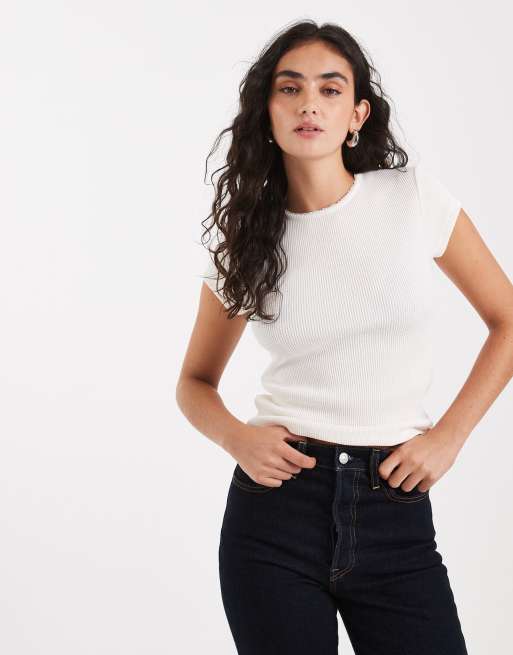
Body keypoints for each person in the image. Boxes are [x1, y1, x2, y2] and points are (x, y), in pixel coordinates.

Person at [176, 20, 513, 655]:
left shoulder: (411, 200)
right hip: (274, 515)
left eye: (330, 90)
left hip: (394, 505)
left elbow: (508, 320)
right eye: (290, 88)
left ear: (357, 115)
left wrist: (448, 438)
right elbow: (194, 383)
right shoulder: (246, 240)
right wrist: (238, 438)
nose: (309, 103)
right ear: (266, 111)